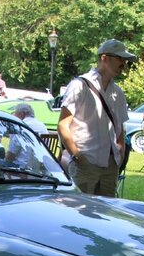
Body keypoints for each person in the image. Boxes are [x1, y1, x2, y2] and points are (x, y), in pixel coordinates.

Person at [57, 38, 135, 197]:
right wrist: (78, 156)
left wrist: (119, 152)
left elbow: (120, 126)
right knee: (79, 214)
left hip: (110, 165)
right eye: (120, 58)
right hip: (86, 164)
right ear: (104, 58)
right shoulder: (79, 86)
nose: (123, 64)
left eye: (125, 60)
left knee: (105, 217)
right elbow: (63, 125)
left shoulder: (118, 92)